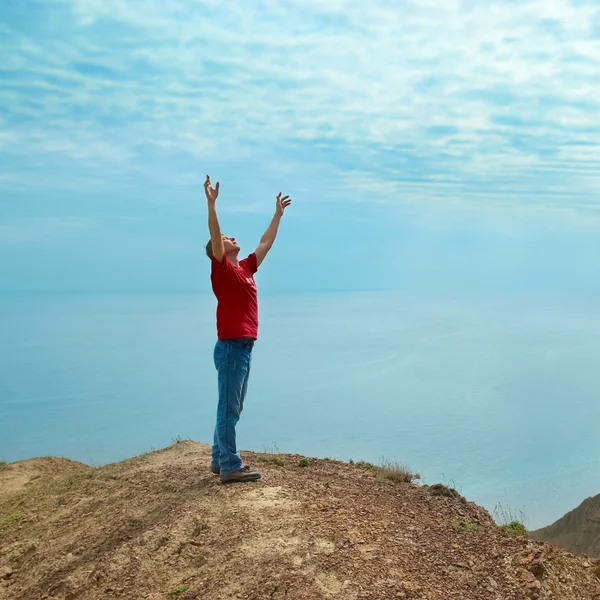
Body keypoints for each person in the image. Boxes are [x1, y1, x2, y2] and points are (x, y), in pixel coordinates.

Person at [204, 174, 292, 483]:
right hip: (231, 347)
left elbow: (265, 243)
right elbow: (215, 235)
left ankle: (219, 458)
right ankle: (229, 466)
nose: (230, 238)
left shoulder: (245, 268)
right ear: (218, 250)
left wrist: (277, 215)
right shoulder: (223, 270)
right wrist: (211, 204)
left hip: (242, 346)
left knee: (232, 405)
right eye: (227, 238)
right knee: (228, 407)